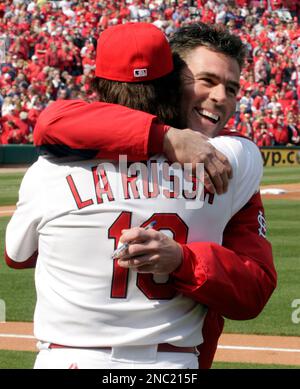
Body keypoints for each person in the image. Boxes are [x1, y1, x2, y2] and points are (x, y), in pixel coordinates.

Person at [6, 23, 276, 369]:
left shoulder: (51, 167)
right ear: (171, 79)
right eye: (206, 81)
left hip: (68, 358)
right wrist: (164, 137)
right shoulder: (234, 160)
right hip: (171, 366)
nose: (220, 97)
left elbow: (17, 254)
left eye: (232, 88)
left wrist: (184, 260)